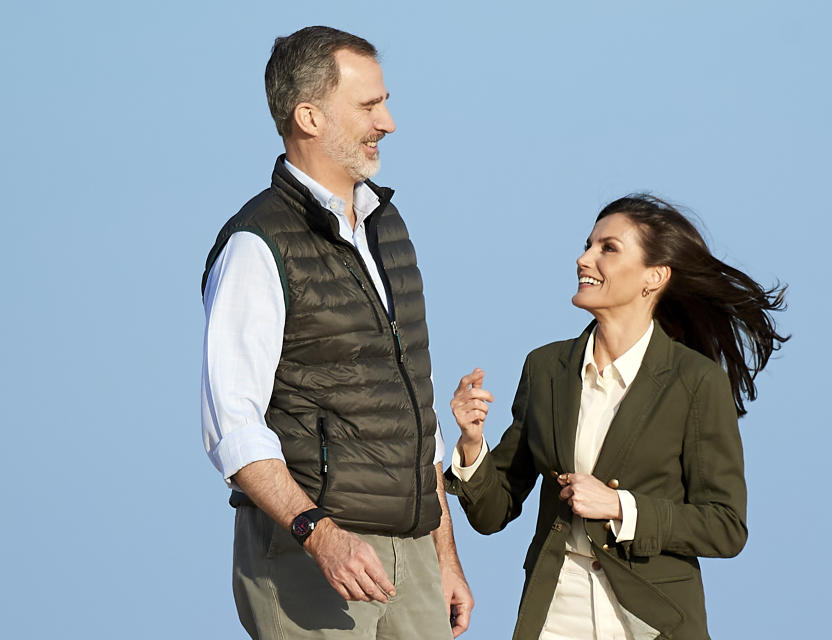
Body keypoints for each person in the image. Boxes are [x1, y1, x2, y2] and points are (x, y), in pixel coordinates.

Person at [200, 26, 472, 639]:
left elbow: (412, 409)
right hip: (311, 556)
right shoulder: (255, 244)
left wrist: (443, 556)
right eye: (369, 105)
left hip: (411, 554)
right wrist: (319, 535)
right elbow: (232, 424)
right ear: (309, 117)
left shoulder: (386, 225)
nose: (389, 122)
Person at [445, 195, 788, 640]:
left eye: (608, 248)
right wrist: (473, 445)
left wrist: (621, 508)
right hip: (555, 613)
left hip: (651, 621)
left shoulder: (696, 382)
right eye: (589, 245)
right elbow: (494, 512)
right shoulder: (545, 368)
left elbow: (725, 526)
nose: (583, 258)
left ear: (655, 277)